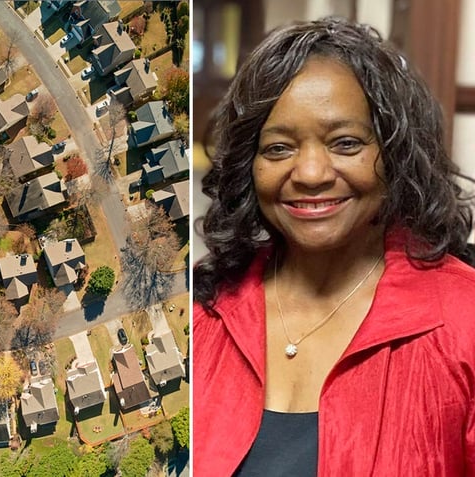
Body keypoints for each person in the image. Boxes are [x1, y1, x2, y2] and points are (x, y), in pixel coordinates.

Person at [193, 17, 475, 476]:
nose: (310, 174)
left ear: (395, 153)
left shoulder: (465, 320)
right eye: (278, 148)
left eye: (345, 144)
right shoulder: (206, 309)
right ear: (249, 165)